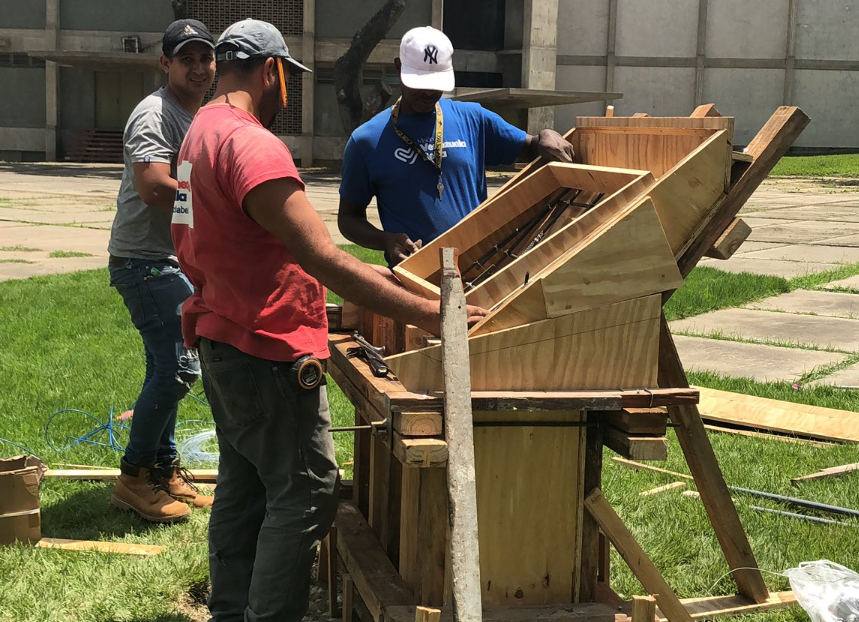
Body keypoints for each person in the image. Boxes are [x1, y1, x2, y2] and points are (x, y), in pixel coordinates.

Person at [170, 19, 486, 622]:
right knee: (307, 493)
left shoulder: (197, 136)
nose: (286, 90)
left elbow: (208, 236)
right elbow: (323, 255)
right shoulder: (252, 144)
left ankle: (232, 610)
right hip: (265, 351)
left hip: (221, 335)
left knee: (245, 486)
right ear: (271, 71)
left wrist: (306, 300)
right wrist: (434, 312)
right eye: (286, 78)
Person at [339, 26, 576, 265]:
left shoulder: (473, 119)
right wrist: (386, 241)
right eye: (419, 81)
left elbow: (533, 146)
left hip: (481, 270)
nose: (429, 91)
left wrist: (546, 134)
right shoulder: (367, 140)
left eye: (436, 81)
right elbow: (348, 218)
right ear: (399, 67)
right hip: (415, 278)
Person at [107, 18, 216, 522]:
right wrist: (223, 197)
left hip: (169, 260)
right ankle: (133, 477)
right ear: (165, 64)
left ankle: (163, 467)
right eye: (185, 58)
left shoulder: (198, 114)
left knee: (167, 365)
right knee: (178, 368)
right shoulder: (155, 113)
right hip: (143, 262)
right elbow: (153, 188)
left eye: (205, 58)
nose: (197, 67)